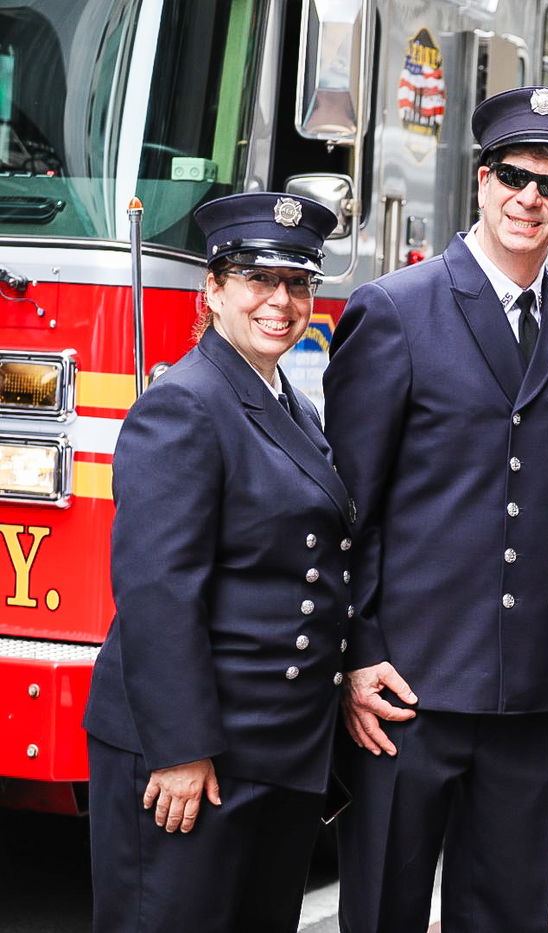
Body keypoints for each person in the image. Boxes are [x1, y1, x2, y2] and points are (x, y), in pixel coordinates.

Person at [323, 86, 548, 932]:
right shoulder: (396, 309)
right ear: (480, 181)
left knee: (511, 916)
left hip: (533, 697)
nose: (529, 198)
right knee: (384, 912)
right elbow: (346, 509)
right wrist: (357, 654)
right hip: (407, 689)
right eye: (513, 175)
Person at [83, 191, 347, 931]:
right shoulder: (186, 404)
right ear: (214, 288)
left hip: (275, 752)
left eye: (297, 283)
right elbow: (158, 593)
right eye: (257, 279)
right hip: (193, 756)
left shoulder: (289, 402)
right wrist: (181, 751)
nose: (280, 301)